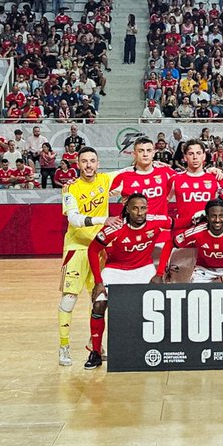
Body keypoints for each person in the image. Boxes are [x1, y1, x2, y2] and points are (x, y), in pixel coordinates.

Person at [85, 193, 169, 368]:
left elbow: (178, 226)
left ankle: (155, 348)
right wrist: (98, 282)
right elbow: (93, 250)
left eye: (143, 208)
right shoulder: (115, 227)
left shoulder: (157, 221)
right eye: (135, 208)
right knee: (99, 304)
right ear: (127, 209)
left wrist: (159, 272)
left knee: (158, 303)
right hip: (116, 269)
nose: (139, 213)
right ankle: (96, 351)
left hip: (144, 269)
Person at [57, 146, 111, 367]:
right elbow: (75, 220)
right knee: (69, 299)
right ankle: (64, 346)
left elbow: (133, 171)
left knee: (99, 299)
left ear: (98, 163)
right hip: (77, 248)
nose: (89, 165)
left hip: (99, 248)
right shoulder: (70, 189)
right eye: (84, 161)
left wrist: (159, 165)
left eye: (92, 161)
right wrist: (103, 221)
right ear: (77, 164)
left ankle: (95, 345)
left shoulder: (106, 181)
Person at [159, 199, 223, 283]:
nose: (217, 220)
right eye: (213, 216)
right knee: (195, 295)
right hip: (205, 268)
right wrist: (159, 273)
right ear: (207, 217)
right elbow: (170, 243)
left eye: (221, 216)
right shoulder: (196, 231)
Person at [109, 135, 175, 243]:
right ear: (134, 154)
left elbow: (187, 180)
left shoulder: (165, 172)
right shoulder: (124, 176)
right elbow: (100, 192)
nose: (145, 154)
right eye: (141, 151)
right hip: (133, 235)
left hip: (160, 234)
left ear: (153, 153)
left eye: (148, 150)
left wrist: (209, 171)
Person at [169, 139, 223, 234]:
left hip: (208, 233)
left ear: (204, 156)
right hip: (182, 232)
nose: (195, 157)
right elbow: (162, 203)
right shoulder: (175, 179)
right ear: (185, 157)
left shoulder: (216, 178)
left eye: (198, 153)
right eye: (191, 154)